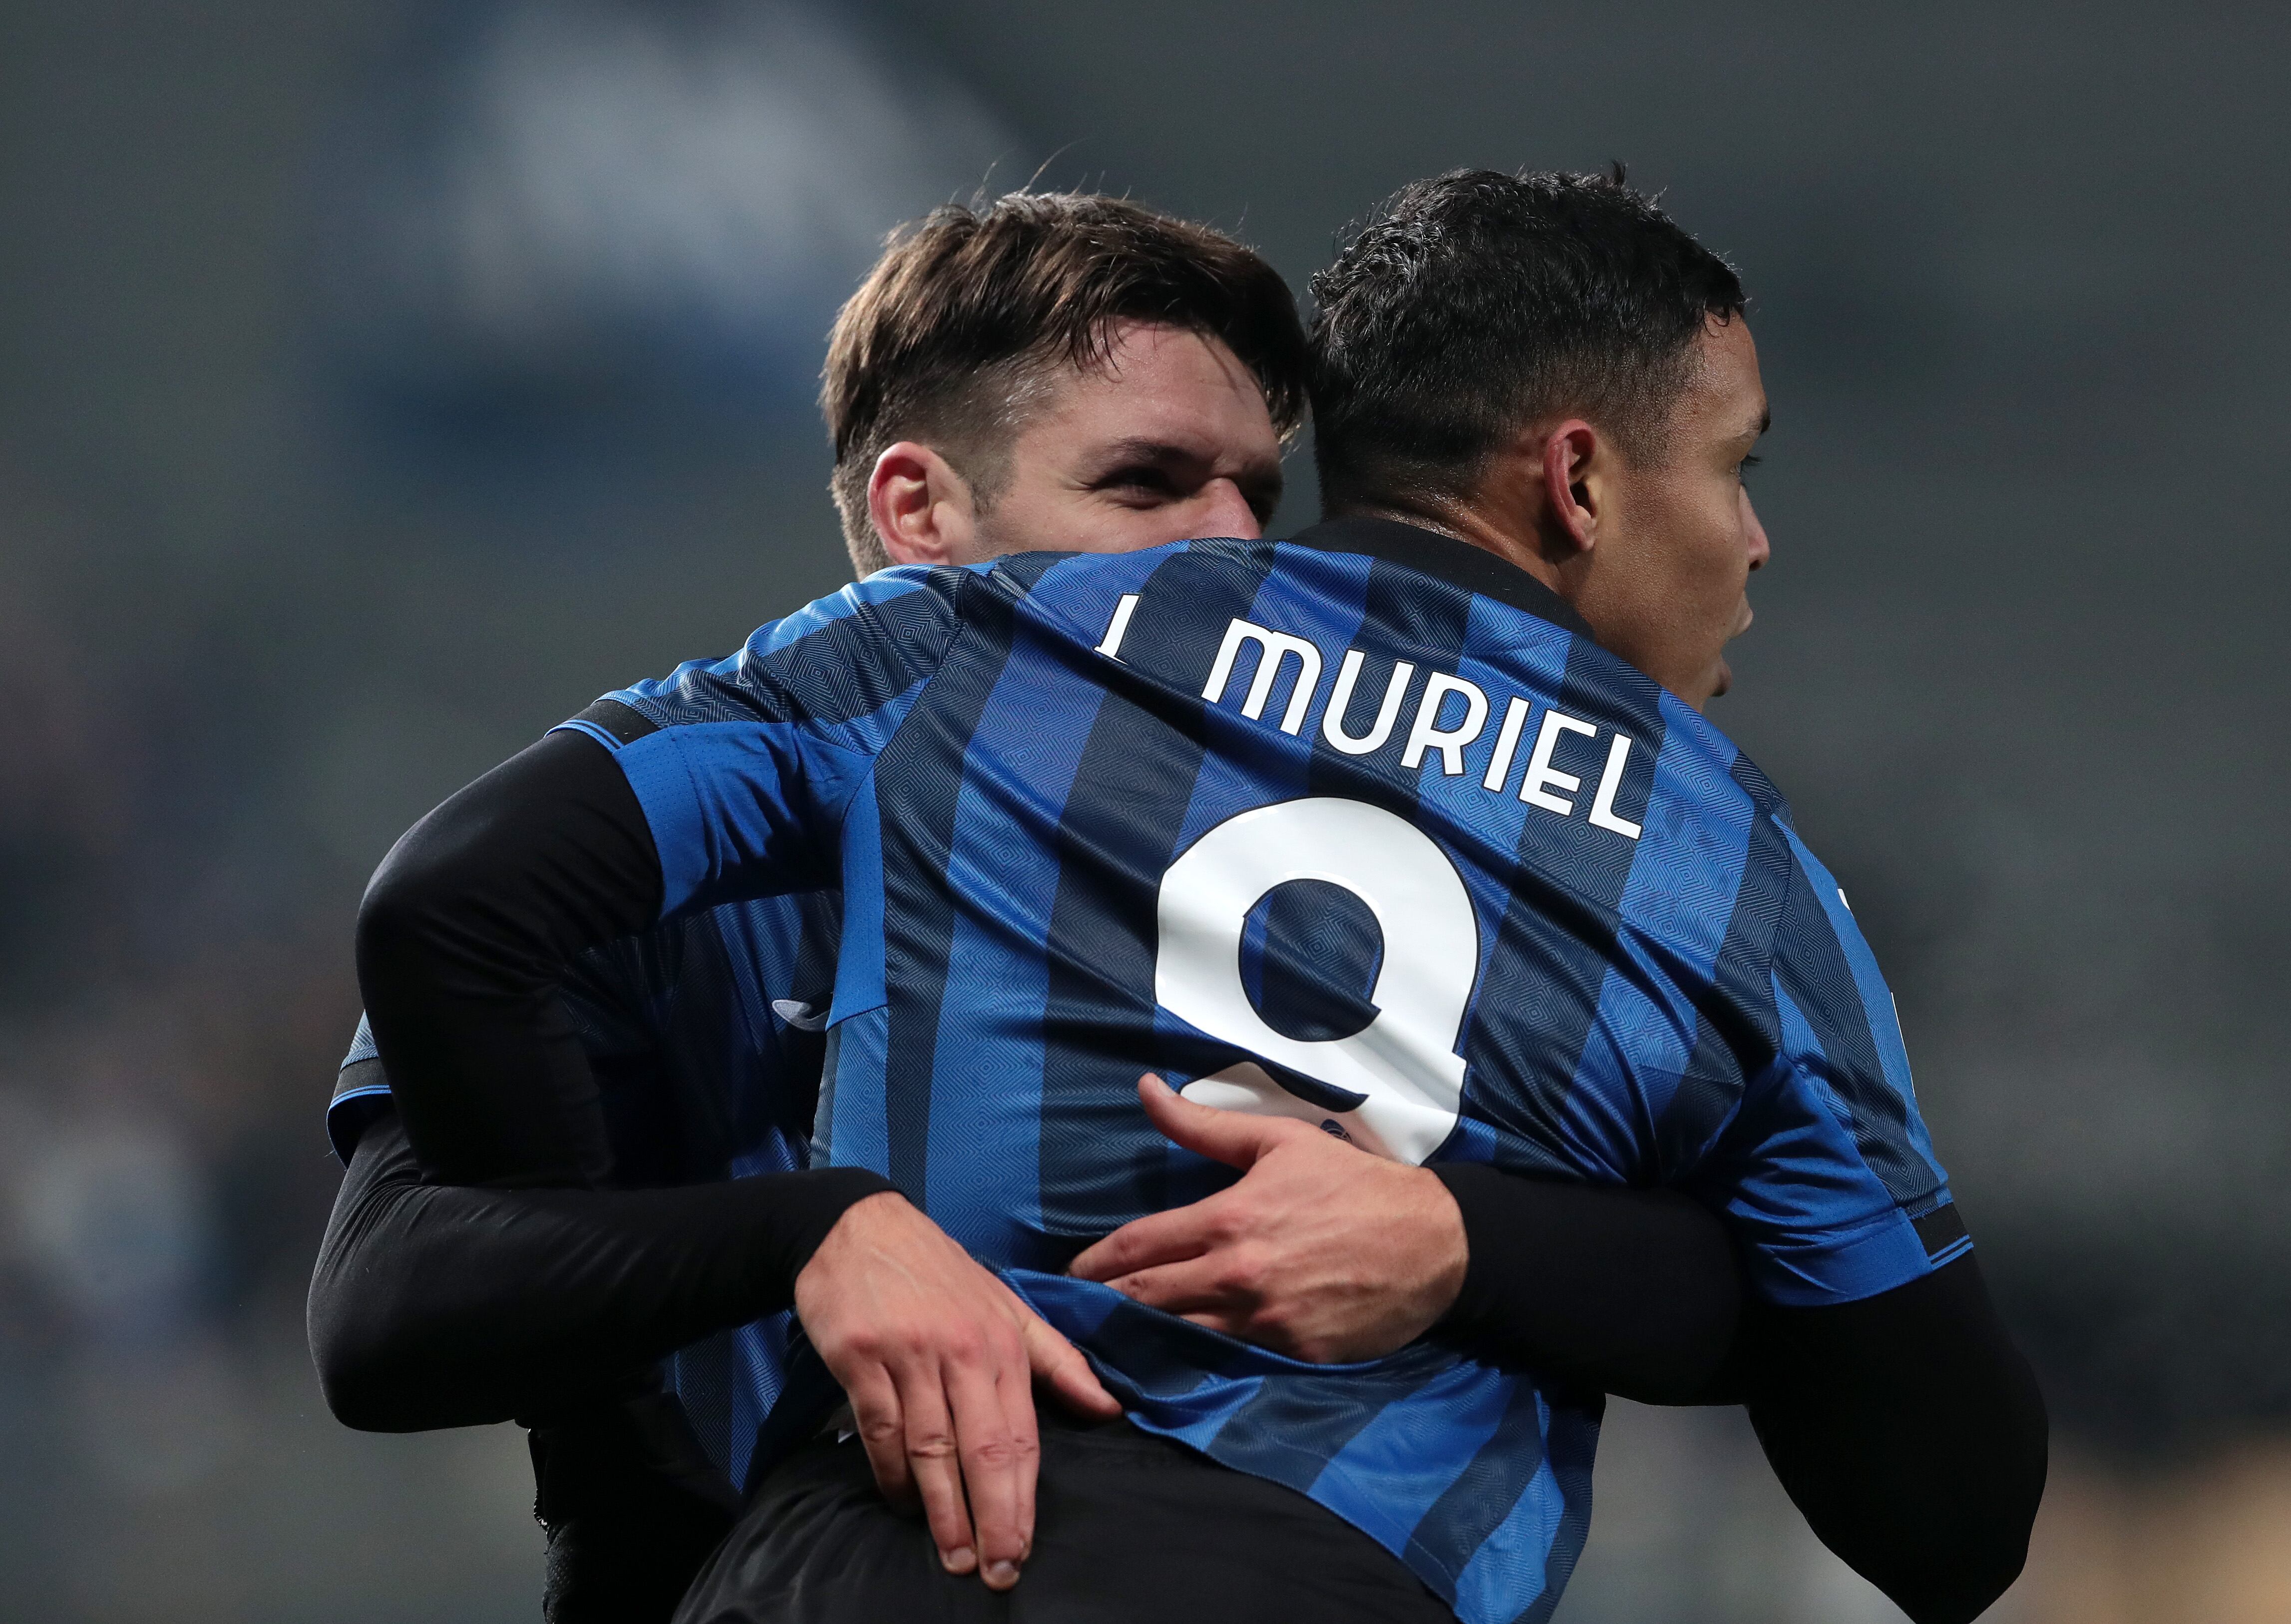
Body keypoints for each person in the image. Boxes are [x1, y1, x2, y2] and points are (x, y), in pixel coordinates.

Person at [348, 169, 2046, 1624]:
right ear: (914, 509)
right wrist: (804, 1241)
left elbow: (1788, 1341)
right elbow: (395, 1295)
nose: (1232, 551)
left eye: (1260, 495)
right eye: (1152, 486)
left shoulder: (983, 701)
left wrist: (1463, 1242)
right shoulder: (1718, 862)